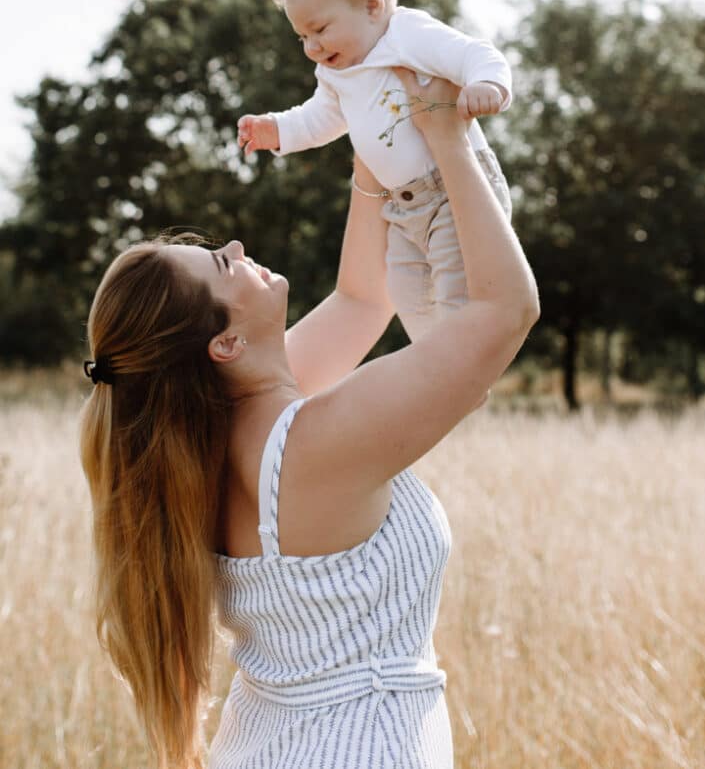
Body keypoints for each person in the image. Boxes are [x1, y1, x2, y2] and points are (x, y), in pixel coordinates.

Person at [80, 71, 539, 769]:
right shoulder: (312, 445)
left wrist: (372, 155)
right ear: (224, 344)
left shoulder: (220, 434)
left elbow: (361, 298)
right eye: (217, 263)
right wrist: (447, 138)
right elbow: (504, 312)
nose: (233, 249)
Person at [237, 0, 513, 340]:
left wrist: (488, 85)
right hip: (403, 208)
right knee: (406, 291)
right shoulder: (334, 72)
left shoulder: (406, 35)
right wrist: (277, 130)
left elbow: (476, 53)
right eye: (302, 37)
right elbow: (319, 119)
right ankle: (436, 360)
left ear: (372, 5)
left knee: (457, 287)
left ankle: (464, 360)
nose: (312, 46)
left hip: (453, 192)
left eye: (320, 29)